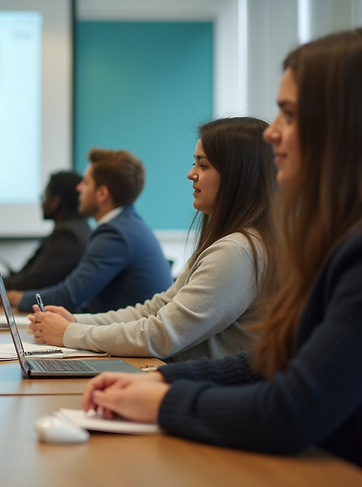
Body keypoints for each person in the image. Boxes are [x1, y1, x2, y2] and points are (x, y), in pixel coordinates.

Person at [83, 28, 362, 487]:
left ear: (346, 125)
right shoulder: (348, 235)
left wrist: (163, 403)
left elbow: (294, 409)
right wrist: (164, 382)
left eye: (290, 114)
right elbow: (275, 359)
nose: (271, 132)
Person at [29, 118, 278, 362]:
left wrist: (70, 334)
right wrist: (76, 322)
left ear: (238, 175)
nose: (191, 174)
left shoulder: (236, 251)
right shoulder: (229, 243)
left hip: (207, 390)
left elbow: (161, 335)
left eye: (203, 165)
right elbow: (156, 309)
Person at [0, 149, 172, 314]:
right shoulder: (128, 225)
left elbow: (69, 295)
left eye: (86, 183)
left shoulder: (115, 234)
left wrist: (13, 297)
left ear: (102, 194)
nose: (79, 188)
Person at [0, 170, 91, 302]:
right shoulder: (74, 228)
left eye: (45, 196)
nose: (42, 203)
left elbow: (33, 282)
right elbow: (27, 274)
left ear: (55, 202)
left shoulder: (68, 235)